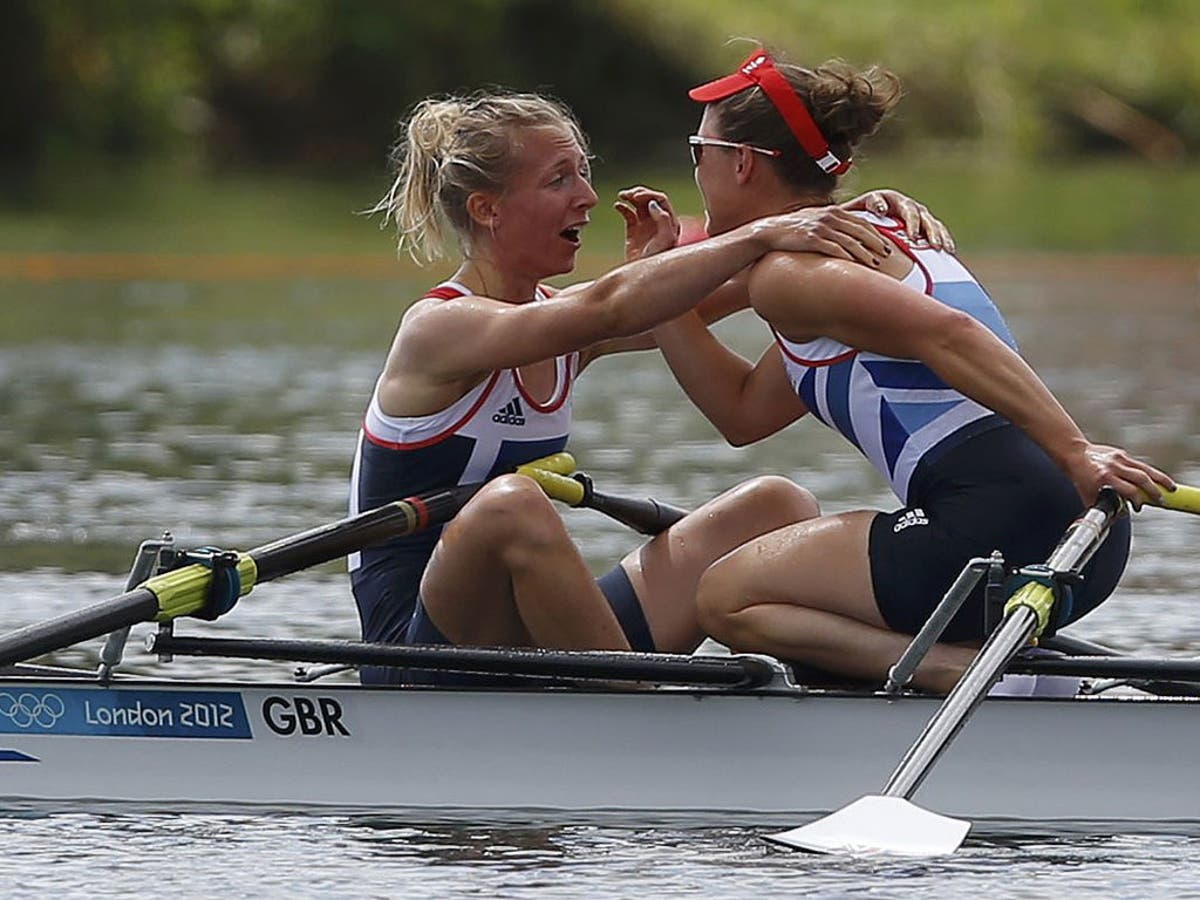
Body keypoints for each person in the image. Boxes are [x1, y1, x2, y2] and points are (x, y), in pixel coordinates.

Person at [348, 89, 947, 684]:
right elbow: (613, 307)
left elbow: (725, 289)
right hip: (422, 650)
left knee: (775, 504)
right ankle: (638, 703)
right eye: (559, 179)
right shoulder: (438, 329)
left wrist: (856, 224)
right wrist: (765, 234)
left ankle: (862, 678)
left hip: (527, 634)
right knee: (511, 505)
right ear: (488, 209)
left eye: (584, 173)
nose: (587, 197)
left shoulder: (558, 321)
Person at [625, 48, 1175, 693]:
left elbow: (950, 334)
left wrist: (1077, 449)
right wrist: (656, 282)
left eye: (700, 149)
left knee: (726, 595)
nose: (697, 168)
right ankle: (1007, 680)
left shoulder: (791, 276)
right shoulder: (871, 235)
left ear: (742, 161)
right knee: (781, 582)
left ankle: (956, 674)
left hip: (1000, 527)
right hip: (1084, 537)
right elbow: (742, 412)